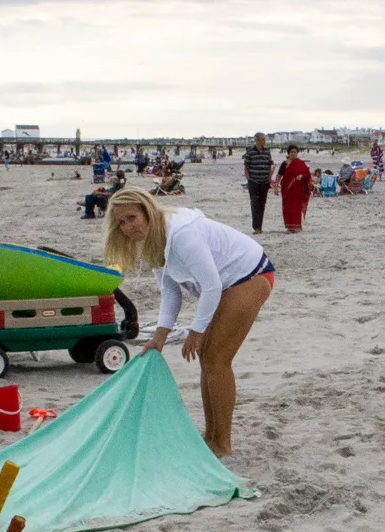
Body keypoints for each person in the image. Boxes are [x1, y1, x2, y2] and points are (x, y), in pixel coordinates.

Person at [105, 189, 272, 456]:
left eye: (132, 218)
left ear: (148, 212)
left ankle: (222, 443)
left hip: (250, 274)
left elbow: (211, 285)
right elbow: (170, 291)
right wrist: (159, 337)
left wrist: (196, 330)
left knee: (216, 359)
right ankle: (210, 436)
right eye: (120, 222)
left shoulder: (181, 234)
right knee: (207, 358)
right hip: (224, 284)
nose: (126, 228)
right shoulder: (153, 239)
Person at [242, 132, 273, 234]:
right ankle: (256, 227)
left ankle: (259, 226)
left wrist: (269, 179)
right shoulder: (250, 152)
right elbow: (246, 167)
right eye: (262, 139)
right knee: (254, 204)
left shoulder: (267, 152)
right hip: (254, 182)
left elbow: (270, 165)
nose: (264, 141)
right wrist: (249, 180)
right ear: (257, 140)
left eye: (264, 139)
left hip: (264, 182)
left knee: (262, 204)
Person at [276, 144, 312, 232]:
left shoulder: (301, 163)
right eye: (291, 152)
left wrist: (302, 175)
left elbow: (308, 174)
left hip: (297, 191)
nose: (293, 154)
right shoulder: (285, 164)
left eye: (295, 152)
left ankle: (296, 226)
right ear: (288, 153)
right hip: (287, 190)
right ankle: (289, 227)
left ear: (297, 153)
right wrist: (276, 186)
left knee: (296, 207)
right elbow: (279, 175)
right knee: (287, 208)